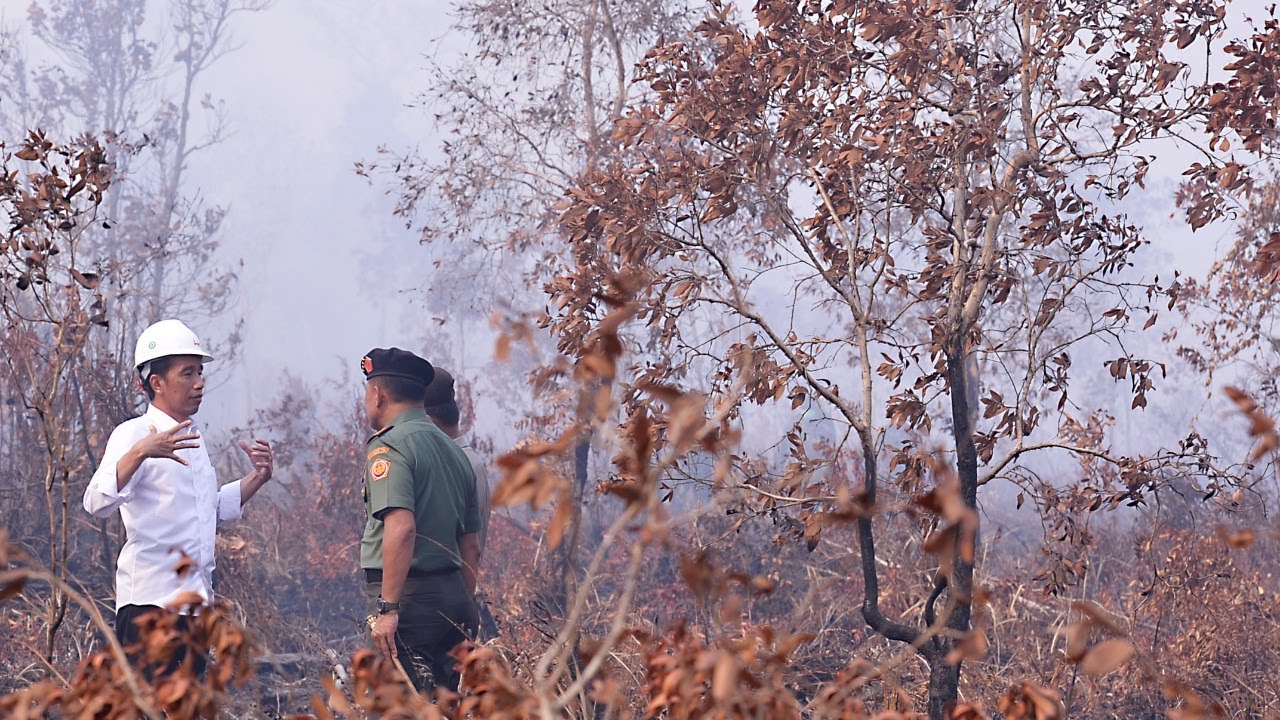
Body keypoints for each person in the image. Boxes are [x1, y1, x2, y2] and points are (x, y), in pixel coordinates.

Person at [82, 319, 273, 675]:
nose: (199, 383)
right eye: (187, 374)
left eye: (200, 373)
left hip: (194, 608)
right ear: (156, 383)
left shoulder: (192, 438)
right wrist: (141, 451)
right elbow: (96, 501)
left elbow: (208, 512)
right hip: (151, 607)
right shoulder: (135, 433)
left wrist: (257, 479)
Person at [359, 347, 480, 691]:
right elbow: (471, 546)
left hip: (409, 603)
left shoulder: (391, 448)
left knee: (394, 708)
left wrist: (388, 609)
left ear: (378, 394)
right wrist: (465, 608)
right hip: (454, 598)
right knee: (440, 706)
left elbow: (401, 528)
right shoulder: (454, 452)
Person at [422, 367, 497, 638]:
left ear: (428, 419)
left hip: (446, 605)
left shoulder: (454, 464)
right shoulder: (469, 460)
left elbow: (469, 547)